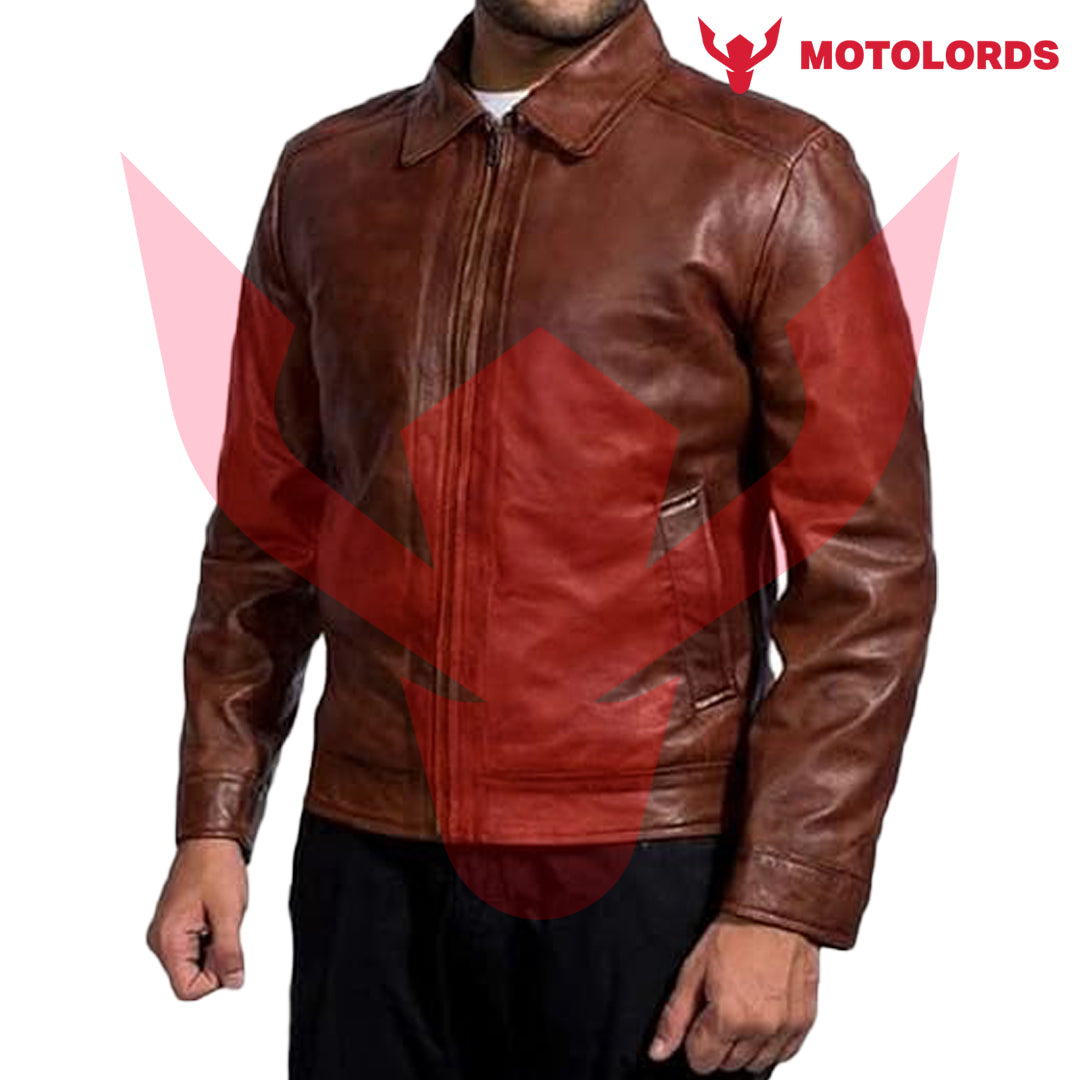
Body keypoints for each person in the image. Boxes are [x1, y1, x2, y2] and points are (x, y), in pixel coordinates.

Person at [146, 2, 936, 1077]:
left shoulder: (773, 176)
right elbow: (263, 534)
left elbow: (870, 573)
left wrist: (784, 899)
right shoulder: (325, 179)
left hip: (652, 863)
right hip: (367, 859)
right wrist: (215, 819)